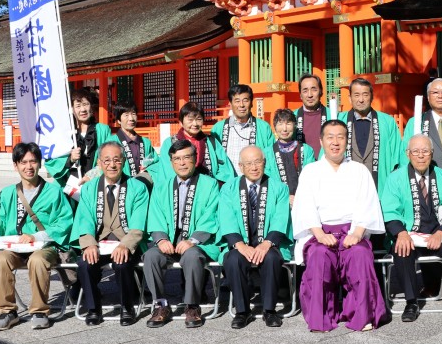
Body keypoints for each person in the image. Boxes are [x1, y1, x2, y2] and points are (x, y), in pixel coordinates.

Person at [292, 120, 387, 332]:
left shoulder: (359, 170)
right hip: (320, 232)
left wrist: (358, 232)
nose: (335, 142)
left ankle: (362, 315)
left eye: (340, 137)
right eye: (330, 137)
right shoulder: (311, 171)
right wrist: (319, 233)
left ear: (347, 141)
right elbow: (304, 206)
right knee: (319, 256)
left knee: (360, 255)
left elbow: (368, 203)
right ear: (321, 141)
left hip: (352, 230)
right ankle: (322, 316)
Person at [0, 142, 73, 331]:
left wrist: (37, 236)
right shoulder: (7, 193)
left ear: (40, 163)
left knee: (37, 261)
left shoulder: (54, 192)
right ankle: (7, 311)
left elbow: (65, 222)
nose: (28, 167)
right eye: (23, 162)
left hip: (44, 247)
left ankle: (39, 311)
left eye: (33, 161)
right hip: (15, 248)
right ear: (15, 165)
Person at [381, 135, 442, 322]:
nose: (420, 156)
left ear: (431, 154)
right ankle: (411, 301)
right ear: (408, 154)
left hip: (437, 232)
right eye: (416, 151)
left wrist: (441, 232)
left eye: (425, 151)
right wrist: (401, 233)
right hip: (409, 233)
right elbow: (389, 210)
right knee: (401, 248)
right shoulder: (396, 178)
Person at [143, 139, 220, 328]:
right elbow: (155, 214)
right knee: (151, 256)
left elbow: (212, 214)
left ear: (195, 158)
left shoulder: (210, 184)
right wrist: (161, 239)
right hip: (168, 241)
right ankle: (161, 305)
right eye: (177, 159)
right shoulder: (162, 186)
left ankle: (192, 306)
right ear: (171, 163)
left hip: (198, 242)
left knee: (192, 256)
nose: (182, 163)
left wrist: (193, 239)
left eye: (187, 157)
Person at [70, 142, 149, 326]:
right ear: (99, 163)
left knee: (122, 264)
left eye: (116, 160)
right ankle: (93, 308)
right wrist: (89, 243)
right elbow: (85, 218)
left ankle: (127, 307)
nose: (112, 165)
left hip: (126, 244)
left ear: (123, 161)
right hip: (99, 243)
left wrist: (125, 245)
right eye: (107, 160)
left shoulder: (137, 187)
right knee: (84, 262)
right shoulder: (89, 188)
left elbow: (138, 224)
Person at [218, 145, 292, 329]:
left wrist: (266, 243)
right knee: (234, 260)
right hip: (240, 244)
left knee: (273, 258)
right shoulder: (229, 188)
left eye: (257, 162)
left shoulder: (279, 188)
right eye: (248, 163)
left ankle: (269, 310)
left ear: (264, 163)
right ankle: (242, 311)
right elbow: (226, 218)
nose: (253, 167)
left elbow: (281, 217)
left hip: (268, 243)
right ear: (240, 166)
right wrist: (239, 245)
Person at [338, 77, 401, 195]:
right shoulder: (338, 121)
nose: (361, 99)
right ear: (349, 98)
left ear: (372, 96)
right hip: (346, 191)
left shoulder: (387, 122)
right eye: (356, 95)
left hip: (380, 188)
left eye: (365, 95)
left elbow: (397, 156)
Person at [44, 88, 115, 189]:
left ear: (91, 106)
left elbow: (110, 156)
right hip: (68, 187)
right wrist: (70, 159)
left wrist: (91, 175)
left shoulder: (102, 130)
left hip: (94, 184)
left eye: (86, 104)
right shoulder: (64, 133)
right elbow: (51, 162)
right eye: (78, 106)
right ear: (72, 109)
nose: (83, 110)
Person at [210, 84, 277, 183]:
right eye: (237, 101)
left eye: (245, 100)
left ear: (251, 103)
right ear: (230, 104)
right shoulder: (218, 128)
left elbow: (271, 158)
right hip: (226, 184)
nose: (241, 105)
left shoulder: (264, 127)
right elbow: (213, 158)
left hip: (256, 183)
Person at [156, 102, 219, 181]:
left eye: (199, 119)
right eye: (190, 120)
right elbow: (165, 172)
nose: (195, 124)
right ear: (181, 122)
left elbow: (224, 170)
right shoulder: (169, 143)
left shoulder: (211, 142)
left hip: (207, 189)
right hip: (179, 189)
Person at [272, 108, 316, 204]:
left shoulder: (307, 150)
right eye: (280, 124)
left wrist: (299, 196)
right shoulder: (267, 153)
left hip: (304, 201)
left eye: (288, 123)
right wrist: (285, 197)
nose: (284, 129)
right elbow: (269, 181)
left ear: (295, 125)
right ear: (275, 127)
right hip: (278, 202)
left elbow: (312, 177)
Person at [112, 101, 156, 188]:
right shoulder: (111, 142)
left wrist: (147, 172)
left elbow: (155, 162)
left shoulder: (146, 142)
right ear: (118, 120)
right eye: (126, 115)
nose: (131, 118)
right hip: (120, 188)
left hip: (144, 187)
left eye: (133, 114)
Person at [294, 73, 335, 158]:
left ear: (321, 91)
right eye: (305, 90)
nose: (310, 95)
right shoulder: (292, 117)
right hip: (301, 168)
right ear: (300, 95)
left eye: (314, 89)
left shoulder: (333, 115)